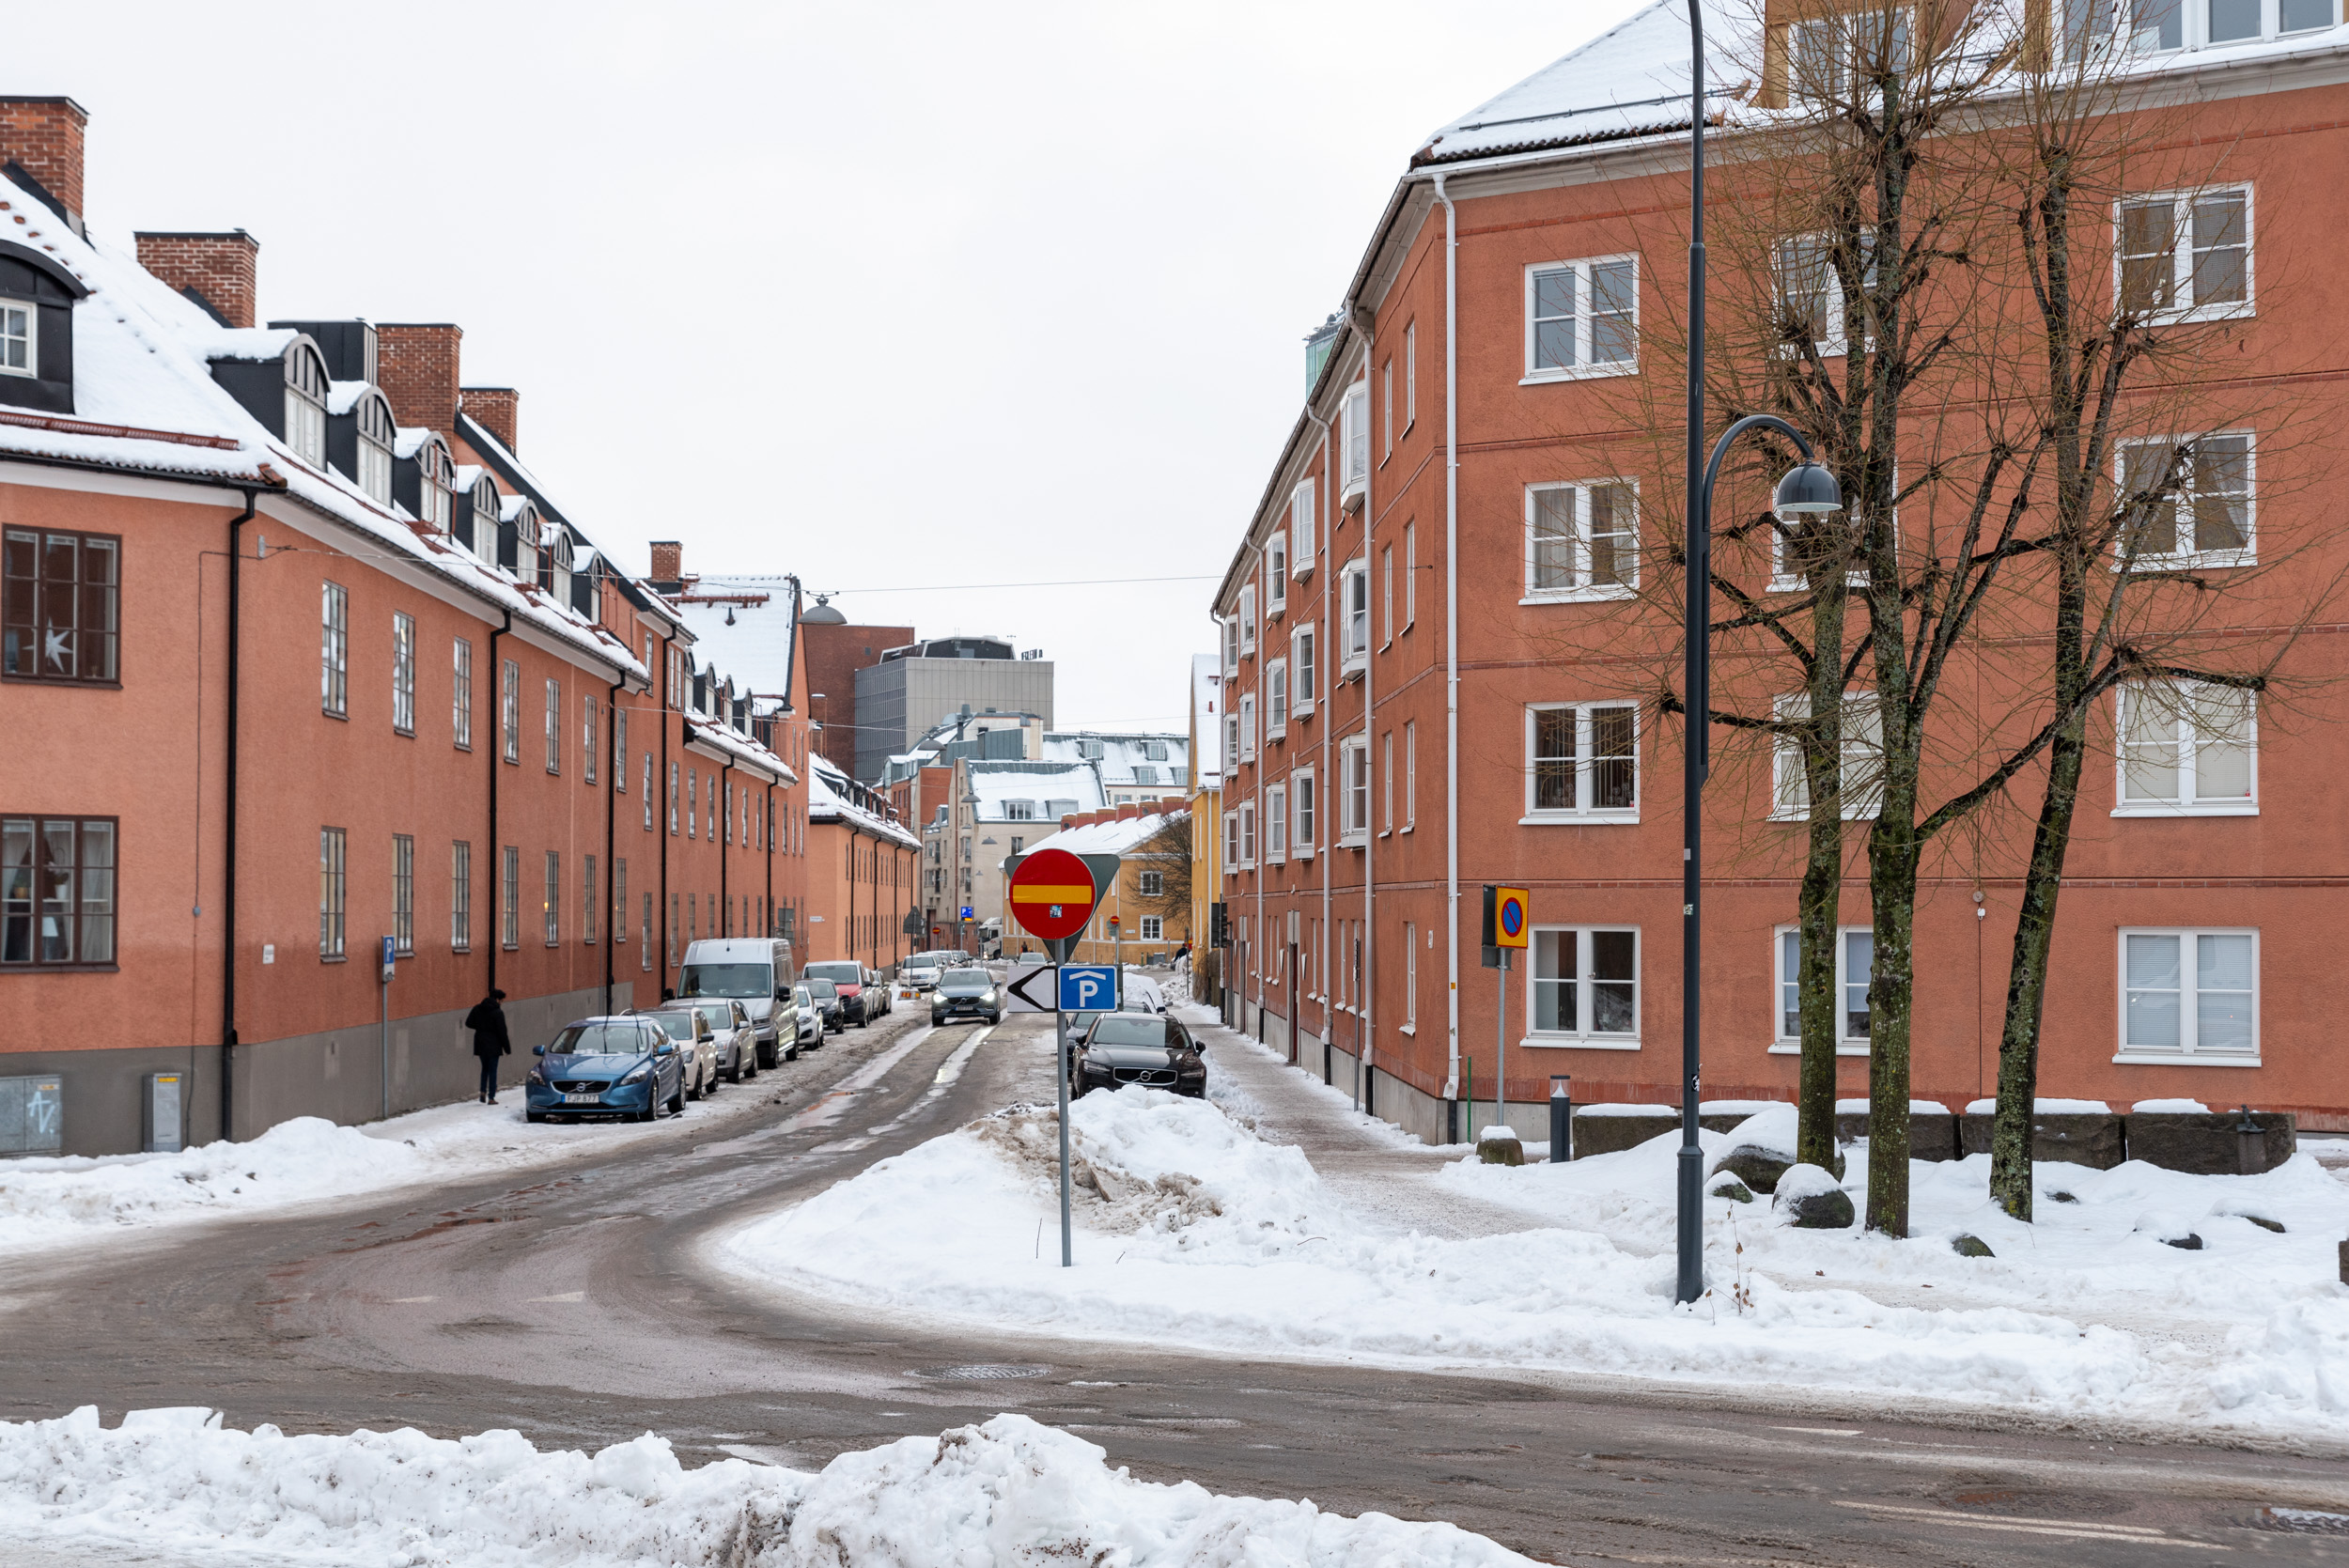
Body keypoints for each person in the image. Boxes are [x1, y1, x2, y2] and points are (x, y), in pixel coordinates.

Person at [464, 988, 510, 1105]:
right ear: (497, 999)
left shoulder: (477, 1008)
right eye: (502, 1001)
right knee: (492, 1071)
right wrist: (507, 1048)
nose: (501, 1003)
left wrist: (480, 1027)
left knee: (484, 1069)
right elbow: (502, 1032)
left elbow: (468, 1023)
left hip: (480, 1043)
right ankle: (491, 1097)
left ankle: (482, 1092)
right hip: (494, 1045)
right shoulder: (498, 1013)